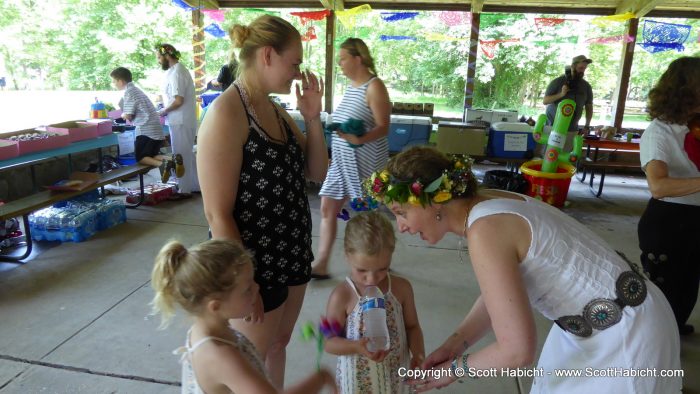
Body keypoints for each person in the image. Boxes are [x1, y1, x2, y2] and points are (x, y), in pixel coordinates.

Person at [364, 146, 681, 393]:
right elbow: (501, 295)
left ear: (434, 200)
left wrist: (453, 371)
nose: (401, 227)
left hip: (625, 332)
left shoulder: (485, 229)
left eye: (401, 212)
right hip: (607, 320)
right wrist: (455, 344)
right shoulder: (485, 203)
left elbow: (516, 351)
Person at [196, 15, 328, 389]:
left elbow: (317, 172)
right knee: (247, 365)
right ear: (268, 55)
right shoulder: (226, 113)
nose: (297, 73)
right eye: (295, 63)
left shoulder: (275, 110)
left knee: (277, 344)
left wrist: (313, 119)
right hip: (252, 264)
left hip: (291, 252)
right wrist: (245, 283)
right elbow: (217, 213)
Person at [150, 239, 337, 394]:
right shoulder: (221, 356)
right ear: (215, 306)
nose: (257, 288)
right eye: (247, 289)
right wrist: (321, 378)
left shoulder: (207, 329)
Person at [310, 38, 391, 280]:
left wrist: (360, 139)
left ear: (359, 58)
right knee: (327, 205)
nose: (340, 64)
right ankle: (322, 262)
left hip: (365, 165)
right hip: (342, 163)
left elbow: (384, 126)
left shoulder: (374, 86)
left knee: (366, 216)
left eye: (343, 58)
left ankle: (377, 262)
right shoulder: (352, 88)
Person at [324, 211, 424, 393]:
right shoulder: (342, 295)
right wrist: (356, 346)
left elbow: (412, 327)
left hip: (396, 377)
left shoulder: (401, 288)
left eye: (382, 269)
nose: (372, 279)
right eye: (362, 270)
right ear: (347, 255)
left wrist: (418, 354)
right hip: (356, 381)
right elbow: (328, 342)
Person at [638, 56, 700, 337]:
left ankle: (673, 327)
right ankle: (658, 338)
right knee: (666, 288)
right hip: (670, 220)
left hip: (694, 217)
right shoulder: (659, 132)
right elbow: (659, 186)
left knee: (689, 283)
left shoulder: (693, 126)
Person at [110, 67, 183, 183]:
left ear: (121, 81)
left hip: (146, 129)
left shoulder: (129, 92)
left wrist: (122, 115)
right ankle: (172, 159)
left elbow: (128, 115)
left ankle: (164, 164)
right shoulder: (137, 90)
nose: (113, 84)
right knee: (152, 155)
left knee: (141, 158)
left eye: (114, 81)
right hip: (156, 129)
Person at [156, 43, 199, 199]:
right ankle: (192, 186)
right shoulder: (174, 71)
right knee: (184, 154)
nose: (158, 61)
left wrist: (162, 111)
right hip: (178, 119)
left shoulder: (177, 73)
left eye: (159, 57)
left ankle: (184, 189)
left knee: (181, 156)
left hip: (181, 120)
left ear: (167, 55)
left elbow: (178, 100)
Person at [543, 55, 594, 134]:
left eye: (584, 69)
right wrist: (561, 94)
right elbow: (545, 101)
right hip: (552, 127)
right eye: (580, 68)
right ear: (573, 67)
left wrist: (587, 126)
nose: (582, 71)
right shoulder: (557, 82)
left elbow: (589, 107)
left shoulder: (586, 86)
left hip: (572, 129)